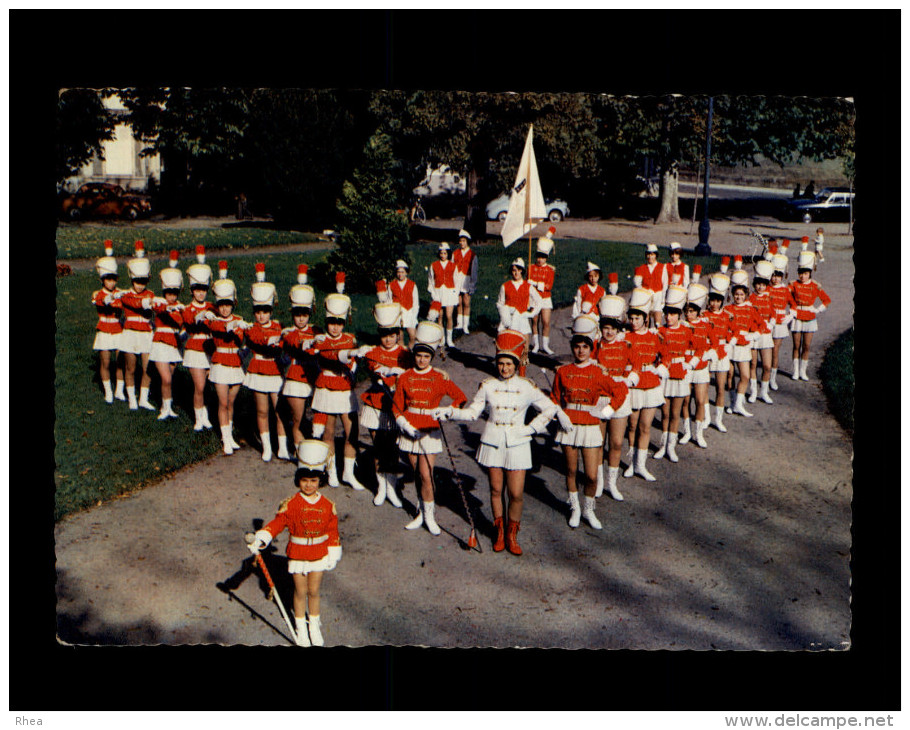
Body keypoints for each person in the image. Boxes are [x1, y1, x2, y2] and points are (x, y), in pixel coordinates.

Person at [435, 331, 559, 555]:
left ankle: (513, 534)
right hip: (493, 442)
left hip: (518, 442)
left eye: (508, 364)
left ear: (516, 363)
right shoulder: (488, 386)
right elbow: (473, 413)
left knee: (516, 493)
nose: (504, 368)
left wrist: (530, 429)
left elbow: (550, 408)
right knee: (495, 490)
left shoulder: (527, 386)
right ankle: (499, 531)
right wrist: (449, 412)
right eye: (501, 363)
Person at [247, 439, 342, 647]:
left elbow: (332, 530)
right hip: (298, 553)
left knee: (314, 591)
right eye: (305, 480)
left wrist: (334, 551)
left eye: (314, 480)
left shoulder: (327, 505)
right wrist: (262, 537)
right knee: (300, 592)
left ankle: (314, 625)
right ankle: (301, 627)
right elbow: (277, 523)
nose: (309, 485)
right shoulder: (291, 504)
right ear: (298, 480)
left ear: (320, 481)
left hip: (319, 552)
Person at [551, 314, 628, 529]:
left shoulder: (597, 372)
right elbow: (553, 398)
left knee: (592, 475)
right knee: (571, 472)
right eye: (577, 347)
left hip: (591, 424)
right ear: (572, 347)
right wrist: (560, 414)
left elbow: (620, 389)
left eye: (585, 346)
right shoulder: (563, 371)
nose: (581, 351)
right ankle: (575, 508)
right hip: (569, 425)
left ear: (591, 348)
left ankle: (588, 509)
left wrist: (608, 409)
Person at [392, 320, 468, 536]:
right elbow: (397, 406)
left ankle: (430, 516)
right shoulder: (405, 377)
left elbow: (460, 398)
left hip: (429, 430)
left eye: (426, 356)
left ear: (432, 357)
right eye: (418, 355)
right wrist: (404, 425)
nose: (422, 359)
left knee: (426, 474)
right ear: (414, 355)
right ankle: (420, 513)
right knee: (417, 473)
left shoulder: (438, 377)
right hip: (409, 429)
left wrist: (447, 411)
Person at [307, 274, 368, 490]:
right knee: (329, 433)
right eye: (331, 322)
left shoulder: (349, 338)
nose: (335, 327)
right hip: (327, 386)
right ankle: (331, 471)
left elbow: (351, 358)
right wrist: (351, 354)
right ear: (326, 322)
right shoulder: (321, 340)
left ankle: (348, 473)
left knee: (352, 431)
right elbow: (334, 355)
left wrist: (355, 361)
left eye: (339, 322)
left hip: (344, 388)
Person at [360, 299, 411, 509]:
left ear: (398, 334)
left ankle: (391, 486)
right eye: (384, 335)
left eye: (392, 335)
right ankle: (381, 486)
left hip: (395, 407)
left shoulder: (406, 355)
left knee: (392, 448)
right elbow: (376, 369)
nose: (388, 339)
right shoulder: (372, 352)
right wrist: (391, 371)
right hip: (376, 404)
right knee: (379, 447)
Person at [242, 263, 290, 462]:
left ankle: (283, 447)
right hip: (258, 368)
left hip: (274, 369)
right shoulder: (251, 329)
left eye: (265, 311)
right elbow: (256, 339)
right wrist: (271, 341)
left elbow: (284, 343)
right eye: (258, 311)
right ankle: (267, 447)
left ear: (271, 310)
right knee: (262, 411)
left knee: (279, 410)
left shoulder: (279, 326)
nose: (261, 315)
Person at [594, 281, 637, 501]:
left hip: (619, 397)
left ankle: (612, 482)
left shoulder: (625, 345)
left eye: (612, 327)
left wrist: (629, 378)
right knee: (598, 442)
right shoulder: (594, 345)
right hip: (600, 398)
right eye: (605, 327)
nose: (608, 331)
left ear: (618, 328)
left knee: (617, 442)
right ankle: (599, 481)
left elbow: (635, 366)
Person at [204, 262, 248, 455]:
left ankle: (228, 434)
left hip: (235, 365)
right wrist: (229, 326)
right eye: (221, 305)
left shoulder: (238, 319)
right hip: (220, 365)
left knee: (231, 402)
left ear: (233, 304)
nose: (224, 309)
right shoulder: (213, 321)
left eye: (228, 305)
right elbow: (215, 327)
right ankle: (226, 439)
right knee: (222, 403)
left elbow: (244, 338)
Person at [622, 287, 665, 482]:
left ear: (645, 318)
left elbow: (666, 356)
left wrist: (662, 367)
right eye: (631, 318)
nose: (633, 322)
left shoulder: (655, 336)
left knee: (646, 427)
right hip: (634, 384)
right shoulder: (625, 337)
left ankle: (641, 465)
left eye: (637, 318)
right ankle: (631, 462)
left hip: (651, 383)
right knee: (632, 425)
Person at [652, 285, 699, 463]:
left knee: (675, 413)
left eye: (672, 314)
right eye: (667, 314)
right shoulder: (660, 331)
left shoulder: (687, 331)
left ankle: (671, 447)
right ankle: (662, 446)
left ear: (679, 314)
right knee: (664, 413)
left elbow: (700, 348)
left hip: (679, 374)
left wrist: (690, 363)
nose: (668, 317)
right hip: (664, 374)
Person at [280, 265, 321, 458]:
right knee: (298, 419)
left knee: (315, 419)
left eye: (304, 314)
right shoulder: (289, 333)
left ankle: (313, 451)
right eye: (297, 315)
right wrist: (308, 342)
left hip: (315, 376)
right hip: (297, 377)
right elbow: (295, 343)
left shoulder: (317, 330)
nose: (301, 319)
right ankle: (301, 454)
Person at [118, 240, 156, 411]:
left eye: (143, 281)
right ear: (132, 280)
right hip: (131, 334)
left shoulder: (151, 294)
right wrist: (145, 303)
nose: (140, 285)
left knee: (148, 367)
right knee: (130, 367)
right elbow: (135, 304)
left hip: (146, 333)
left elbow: (154, 305)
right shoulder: (126, 296)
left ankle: (143, 398)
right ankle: (131, 398)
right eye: (136, 281)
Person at [679, 271, 715, 448]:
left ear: (698, 311)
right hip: (685, 367)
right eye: (686, 311)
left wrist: (708, 354)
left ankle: (698, 433)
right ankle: (686, 431)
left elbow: (712, 343)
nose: (688, 314)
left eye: (692, 311)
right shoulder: (681, 326)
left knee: (700, 400)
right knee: (686, 400)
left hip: (700, 368)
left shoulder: (704, 325)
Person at [149, 250, 185, 420]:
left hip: (174, 344)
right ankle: (164, 408)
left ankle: (168, 407)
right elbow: (157, 307)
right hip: (161, 343)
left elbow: (185, 324)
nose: (171, 296)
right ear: (164, 291)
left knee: (169, 378)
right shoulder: (159, 302)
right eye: (169, 292)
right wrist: (168, 308)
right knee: (166, 378)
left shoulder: (181, 307)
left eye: (174, 293)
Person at [182, 246, 215, 431]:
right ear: (192, 290)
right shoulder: (189, 309)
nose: (201, 293)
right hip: (195, 348)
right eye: (197, 290)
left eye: (203, 289)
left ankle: (205, 415)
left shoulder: (212, 306)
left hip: (210, 347)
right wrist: (202, 316)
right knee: (200, 386)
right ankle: (198, 418)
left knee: (208, 385)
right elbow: (189, 321)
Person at [725, 275, 765, 418]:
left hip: (743, 346)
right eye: (736, 294)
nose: (738, 297)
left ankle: (738, 404)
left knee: (745, 376)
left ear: (746, 295)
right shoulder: (727, 309)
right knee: (729, 375)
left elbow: (762, 325)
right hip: (730, 345)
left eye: (741, 294)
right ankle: (732, 403)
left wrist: (753, 335)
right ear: (732, 295)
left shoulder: (750, 309)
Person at [90, 240, 125, 404]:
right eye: (108, 279)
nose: (111, 282)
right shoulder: (98, 294)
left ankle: (119, 390)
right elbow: (102, 301)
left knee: (120, 361)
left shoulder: (120, 293)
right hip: (104, 329)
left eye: (114, 279)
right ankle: (108, 391)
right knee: (105, 362)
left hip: (118, 328)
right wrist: (111, 297)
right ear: (102, 280)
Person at [495, 257, 543, 376]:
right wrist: (504, 314)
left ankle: (522, 376)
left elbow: (539, 300)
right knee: (506, 347)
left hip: (521, 319)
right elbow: (500, 303)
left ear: (522, 271)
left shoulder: (528, 286)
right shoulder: (505, 286)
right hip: (508, 320)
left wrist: (531, 313)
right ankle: (504, 373)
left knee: (524, 349)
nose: (516, 273)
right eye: (514, 270)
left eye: (518, 270)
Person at [789, 251, 831, 382]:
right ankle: (795, 370)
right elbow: (786, 296)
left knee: (806, 345)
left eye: (806, 273)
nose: (803, 276)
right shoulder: (794, 284)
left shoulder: (814, 286)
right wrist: (792, 308)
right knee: (796, 345)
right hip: (797, 316)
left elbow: (826, 300)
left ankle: (803, 371)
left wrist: (818, 310)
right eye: (801, 273)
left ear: (810, 274)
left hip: (809, 316)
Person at [702, 267, 735, 433]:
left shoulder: (727, 315)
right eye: (712, 300)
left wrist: (729, 342)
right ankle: (706, 417)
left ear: (723, 300)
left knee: (720, 387)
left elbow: (733, 332)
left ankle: (718, 419)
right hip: (707, 352)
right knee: (705, 386)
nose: (714, 304)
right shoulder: (703, 315)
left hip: (721, 353)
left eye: (718, 300)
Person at [747, 259, 776, 405]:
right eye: (758, 284)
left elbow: (773, 314)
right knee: (752, 364)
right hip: (753, 335)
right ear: (754, 284)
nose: (760, 287)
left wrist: (771, 324)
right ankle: (753, 391)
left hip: (765, 335)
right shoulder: (750, 298)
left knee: (766, 365)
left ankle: (764, 392)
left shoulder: (769, 297)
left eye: (763, 284)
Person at [767, 251, 796, 391]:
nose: (775, 279)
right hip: (766, 322)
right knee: (764, 350)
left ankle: (772, 378)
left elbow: (793, 304)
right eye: (773, 275)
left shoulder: (785, 290)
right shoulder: (765, 288)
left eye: (778, 276)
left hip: (779, 323)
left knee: (775, 350)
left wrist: (790, 315)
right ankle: (764, 377)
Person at [527, 227, 557, 354]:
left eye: (543, 257)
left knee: (546, 321)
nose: (540, 259)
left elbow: (548, 286)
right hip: (534, 298)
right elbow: (527, 285)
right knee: (534, 321)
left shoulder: (550, 270)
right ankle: (536, 344)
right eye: (538, 257)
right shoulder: (530, 268)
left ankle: (545, 345)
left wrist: (535, 283)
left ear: (547, 258)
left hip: (545, 298)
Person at [428, 242, 459, 348]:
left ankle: (449, 339)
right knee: (440, 317)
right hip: (438, 293)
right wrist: (433, 293)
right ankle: (441, 338)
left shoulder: (453, 265)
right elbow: (431, 281)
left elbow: (457, 281)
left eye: (445, 253)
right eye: (441, 253)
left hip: (449, 292)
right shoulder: (434, 265)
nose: (442, 255)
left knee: (449, 316)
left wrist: (455, 293)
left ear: (448, 254)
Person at [634, 243, 668, 329]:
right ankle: (646, 330)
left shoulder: (662, 267)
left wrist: (663, 297)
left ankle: (658, 329)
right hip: (646, 294)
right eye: (648, 254)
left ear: (656, 255)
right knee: (646, 315)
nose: (650, 257)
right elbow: (638, 284)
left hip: (658, 293)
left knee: (657, 313)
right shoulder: (642, 268)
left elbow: (665, 283)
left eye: (652, 254)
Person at [453, 229, 478, 335]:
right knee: (458, 302)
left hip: (467, 279)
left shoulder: (472, 255)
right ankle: (459, 323)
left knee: (466, 302)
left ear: (467, 241)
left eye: (464, 241)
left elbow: (474, 270)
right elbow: (452, 267)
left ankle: (465, 325)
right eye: (460, 241)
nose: (461, 243)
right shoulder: (455, 253)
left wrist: (472, 284)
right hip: (457, 279)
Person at [389, 259, 419, 348]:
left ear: (406, 273)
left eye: (402, 272)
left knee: (413, 336)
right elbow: (389, 301)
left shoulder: (412, 285)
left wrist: (414, 315)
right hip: (398, 314)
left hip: (409, 312)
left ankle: (410, 352)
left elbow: (416, 302)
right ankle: (402, 354)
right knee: (399, 338)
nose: (400, 274)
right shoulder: (391, 285)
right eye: (398, 272)